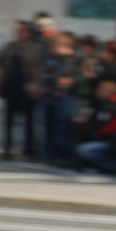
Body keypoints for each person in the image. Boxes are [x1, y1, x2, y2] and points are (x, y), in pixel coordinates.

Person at [0, 20, 42, 159]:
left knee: (29, 121)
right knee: (8, 120)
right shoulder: (9, 46)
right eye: (17, 31)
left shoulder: (36, 48)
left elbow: (41, 68)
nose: (18, 33)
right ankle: (7, 148)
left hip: (27, 89)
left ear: (28, 33)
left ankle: (29, 149)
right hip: (10, 87)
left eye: (21, 31)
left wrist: (36, 84)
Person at [75, 80, 116, 175]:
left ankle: (114, 166)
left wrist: (89, 125)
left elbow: (108, 128)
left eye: (101, 90)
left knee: (84, 150)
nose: (98, 92)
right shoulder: (105, 104)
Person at [41, 30, 81, 164]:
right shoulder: (51, 58)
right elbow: (46, 75)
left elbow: (66, 77)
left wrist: (58, 80)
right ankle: (50, 154)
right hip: (50, 96)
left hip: (65, 98)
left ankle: (61, 155)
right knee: (49, 127)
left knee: (62, 127)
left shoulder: (72, 59)